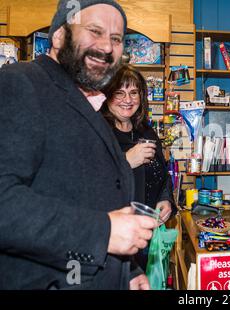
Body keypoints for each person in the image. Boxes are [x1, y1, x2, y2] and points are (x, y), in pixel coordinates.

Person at [0, 0, 158, 290]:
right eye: (95, 31)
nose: (107, 47)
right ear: (59, 35)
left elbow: (92, 199)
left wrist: (128, 271)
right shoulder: (19, 84)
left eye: (116, 39)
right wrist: (103, 233)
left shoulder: (90, 104)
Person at [101, 64, 176, 269]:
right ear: (107, 96)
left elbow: (163, 175)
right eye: (120, 93)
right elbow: (87, 183)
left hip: (146, 237)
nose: (128, 100)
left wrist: (165, 200)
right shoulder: (98, 131)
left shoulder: (146, 132)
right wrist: (126, 162)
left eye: (134, 92)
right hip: (112, 239)